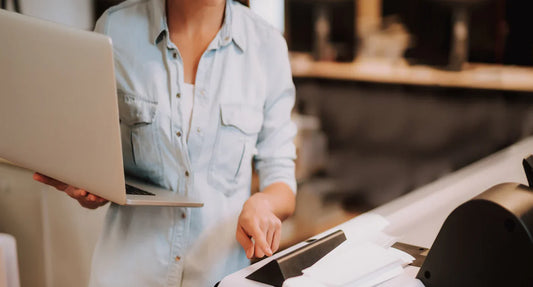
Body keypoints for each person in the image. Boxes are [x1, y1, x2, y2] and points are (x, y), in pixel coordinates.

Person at [33, 0, 297, 286]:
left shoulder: (267, 46)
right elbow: (94, 162)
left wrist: (263, 204)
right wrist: (86, 187)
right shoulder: (114, 28)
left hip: (219, 277)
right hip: (126, 275)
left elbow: (281, 181)